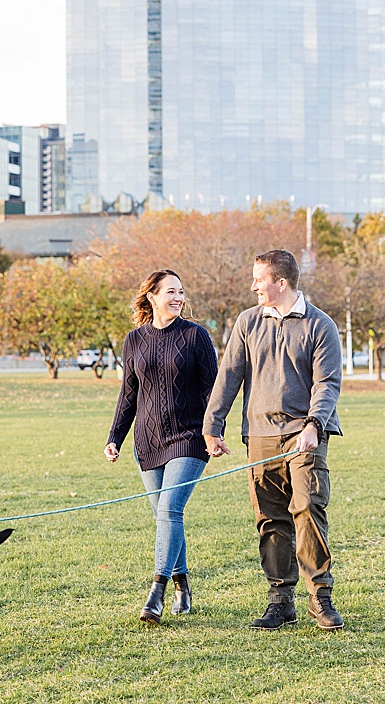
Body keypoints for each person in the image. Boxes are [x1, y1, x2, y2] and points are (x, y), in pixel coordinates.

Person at [203, 248, 346, 631]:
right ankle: (280, 602)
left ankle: (321, 598)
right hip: (260, 437)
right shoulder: (248, 322)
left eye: (259, 279)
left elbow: (327, 383)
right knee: (270, 520)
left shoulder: (320, 325)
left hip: (304, 434)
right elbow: (229, 375)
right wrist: (212, 426)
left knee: (308, 509)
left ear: (280, 283)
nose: (253, 286)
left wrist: (314, 424)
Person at [105, 269, 218, 622]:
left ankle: (156, 591)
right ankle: (183, 584)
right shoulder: (134, 340)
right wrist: (114, 438)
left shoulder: (195, 336)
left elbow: (213, 389)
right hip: (148, 441)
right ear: (152, 296)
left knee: (170, 508)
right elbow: (129, 394)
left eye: (181, 292)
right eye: (171, 291)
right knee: (165, 517)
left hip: (189, 439)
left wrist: (214, 431)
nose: (178, 297)